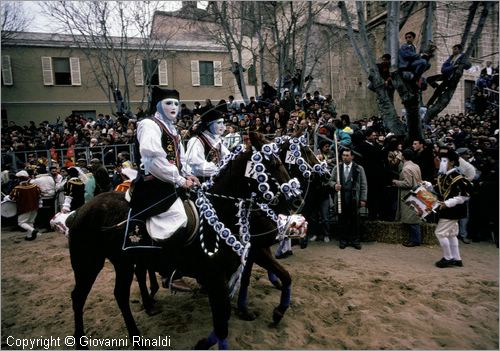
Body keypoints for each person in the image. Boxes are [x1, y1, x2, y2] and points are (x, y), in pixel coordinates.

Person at [134, 86, 199, 292]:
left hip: (171, 182)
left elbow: (179, 160)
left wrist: (187, 174)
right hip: (153, 185)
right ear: (158, 105)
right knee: (179, 217)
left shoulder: (173, 129)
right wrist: (180, 180)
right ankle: (168, 271)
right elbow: (154, 162)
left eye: (177, 103)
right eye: (168, 103)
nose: (173, 107)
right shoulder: (149, 125)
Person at [423, 149, 473, 268]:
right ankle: (457, 258)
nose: (440, 162)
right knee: (451, 234)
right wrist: (428, 185)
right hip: (449, 209)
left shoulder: (457, 177)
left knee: (440, 233)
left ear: (451, 162)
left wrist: (448, 203)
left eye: (443, 160)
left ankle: (448, 257)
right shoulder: (445, 176)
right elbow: (439, 190)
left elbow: (464, 196)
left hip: (452, 210)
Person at [330, 149, 368, 249]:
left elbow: (364, 184)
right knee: (342, 220)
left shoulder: (359, 169)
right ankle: (343, 240)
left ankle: (355, 240)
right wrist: (334, 185)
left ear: (352, 157)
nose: (345, 157)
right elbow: (330, 181)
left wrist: (363, 199)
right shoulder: (337, 168)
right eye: (343, 155)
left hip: (354, 198)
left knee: (354, 220)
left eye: (347, 155)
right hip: (341, 198)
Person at [185, 109, 230, 182]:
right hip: (201, 181)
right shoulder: (196, 141)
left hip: (216, 179)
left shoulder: (217, 140)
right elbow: (198, 168)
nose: (223, 126)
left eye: (223, 122)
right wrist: (220, 170)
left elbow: (228, 157)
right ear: (208, 124)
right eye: (218, 123)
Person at [392, 149, 423, 247]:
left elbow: (408, 183)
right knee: (415, 216)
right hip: (417, 193)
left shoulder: (406, 169)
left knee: (411, 219)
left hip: (408, 195)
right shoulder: (416, 166)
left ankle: (415, 240)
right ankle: (415, 239)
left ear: (403, 157)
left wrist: (396, 182)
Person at [7, 170, 41, 241]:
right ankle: (29, 236)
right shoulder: (35, 186)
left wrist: (7, 197)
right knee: (30, 222)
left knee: (21, 222)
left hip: (24, 208)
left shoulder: (18, 188)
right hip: (35, 207)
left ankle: (33, 230)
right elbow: (40, 195)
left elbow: (12, 198)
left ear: (19, 179)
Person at [31, 165, 56, 233]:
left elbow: (31, 184)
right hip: (51, 197)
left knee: (44, 213)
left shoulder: (37, 180)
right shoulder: (50, 178)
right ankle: (51, 226)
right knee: (51, 213)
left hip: (44, 198)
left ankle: (47, 227)